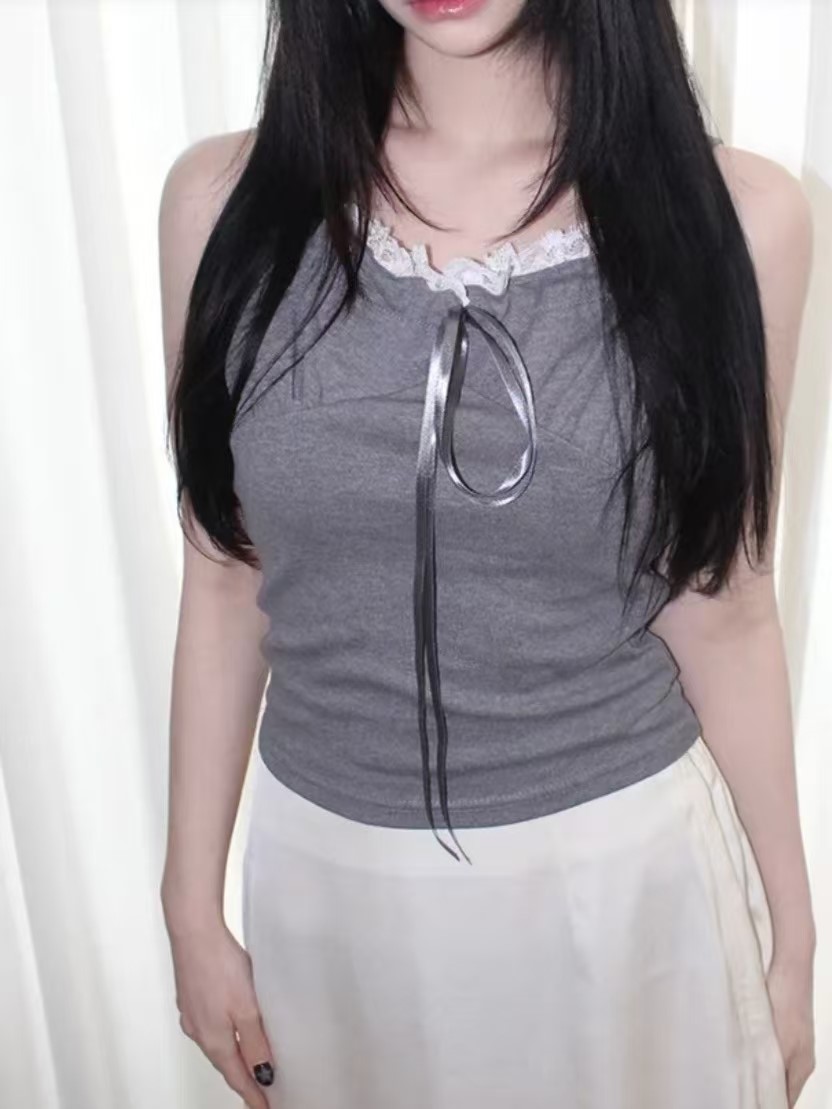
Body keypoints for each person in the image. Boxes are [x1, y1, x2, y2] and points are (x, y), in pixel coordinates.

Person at [158, 1, 816, 1106]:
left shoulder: (738, 221)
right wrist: (188, 905)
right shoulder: (220, 205)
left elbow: (724, 603)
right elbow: (225, 575)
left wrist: (792, 934)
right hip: (329, 896)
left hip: (618, 893)